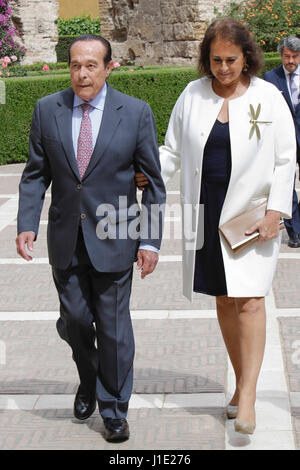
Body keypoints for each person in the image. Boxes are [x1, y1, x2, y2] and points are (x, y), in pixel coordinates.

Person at [136, 18, 296, 435]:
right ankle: (242, 385)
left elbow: (285, 159)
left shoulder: (269, 96)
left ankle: (248, 396)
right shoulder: (192, 94)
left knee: (251, 300)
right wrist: (146, 172)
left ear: (247, 59)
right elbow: (171, 150)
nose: (223, 68)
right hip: (204, 212)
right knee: (224, 300)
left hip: (252, 217)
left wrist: (276, 212)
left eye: (231, 60)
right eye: (216, 60)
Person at [16, 35, 166, 442]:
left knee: (115, 329)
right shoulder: (48, 110)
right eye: (75, 65)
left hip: (117, 238)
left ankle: (114, 409)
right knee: (77, 322)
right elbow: (34, 175)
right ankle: (88, 378)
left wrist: (150, 241)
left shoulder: (134, 113)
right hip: (66, 238)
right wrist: (26, 222)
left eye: (91, 65)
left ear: (108, 67)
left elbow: (152, 183)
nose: (82, 74)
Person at [264, 36, 300, 248]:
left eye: (295, 56)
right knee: (286, 185)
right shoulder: (270, 78)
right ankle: (294, 231)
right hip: (281, 140)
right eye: (287, 56)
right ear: (281, 55)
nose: (291, 61)